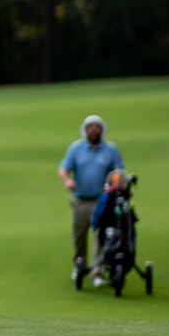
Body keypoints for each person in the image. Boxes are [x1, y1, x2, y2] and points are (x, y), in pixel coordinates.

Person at [57, 115, 124, 287]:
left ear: (102, 129)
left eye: (97, 126)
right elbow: (64, 168)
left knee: (100, 236)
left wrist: (115, 184)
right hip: (80, 201)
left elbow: (119, 172)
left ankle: (98, 273)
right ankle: (79, 266)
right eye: (90, 127)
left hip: (102, 201)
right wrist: (68, 181)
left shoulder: (110, 150)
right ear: (85, 129)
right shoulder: (76, 148)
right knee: (79, 236)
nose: (94, 129)